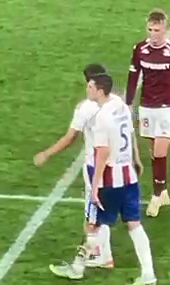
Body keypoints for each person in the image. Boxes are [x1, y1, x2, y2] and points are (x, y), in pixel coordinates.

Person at [52, 73, 157, 285]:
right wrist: (136, 158)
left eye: (90, 87)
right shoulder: (120, 105)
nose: (87, 90)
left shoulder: (101, 118)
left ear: (100, 91)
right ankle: (148, 274)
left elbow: (102, 152)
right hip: (129, 176)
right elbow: (130, 132)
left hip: (110, 179)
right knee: (134, 224)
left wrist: (95, 186)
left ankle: (78, 267)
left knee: (93, 224)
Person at [36, 63, 115, 269]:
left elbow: (70, 138)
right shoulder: (116, 102)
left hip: (95, 165)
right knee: (102, 210)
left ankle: (87, 260)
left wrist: (46, 153)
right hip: (116, 165)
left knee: (91, 216)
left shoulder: (86, 108)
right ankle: (105, 257)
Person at [126, 8, 170, 217]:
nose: (153, 34)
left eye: (157, 30)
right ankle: (163, 190)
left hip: (166, 107)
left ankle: (156, 196)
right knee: (154, 151)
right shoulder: (140, 49)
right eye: (150, 30)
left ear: (165, 29)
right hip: (146, 106)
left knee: (160, 151)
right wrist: (128, 104)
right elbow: (133, 77)